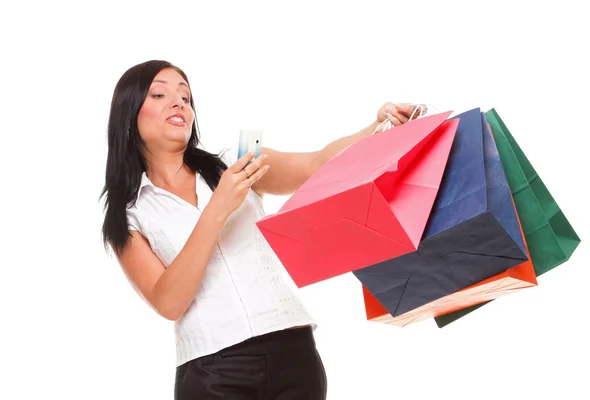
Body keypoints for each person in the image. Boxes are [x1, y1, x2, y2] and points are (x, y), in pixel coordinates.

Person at [100, 60, 420, 399]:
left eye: (186, 96)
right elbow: (169, 302)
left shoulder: (236, 164)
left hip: (294, 354)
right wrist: (218, 207)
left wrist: (379, 126)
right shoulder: (128, 217)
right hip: (212, 372)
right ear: (129, 112)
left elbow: (316, 164)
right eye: (160, 93)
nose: (179, 102)